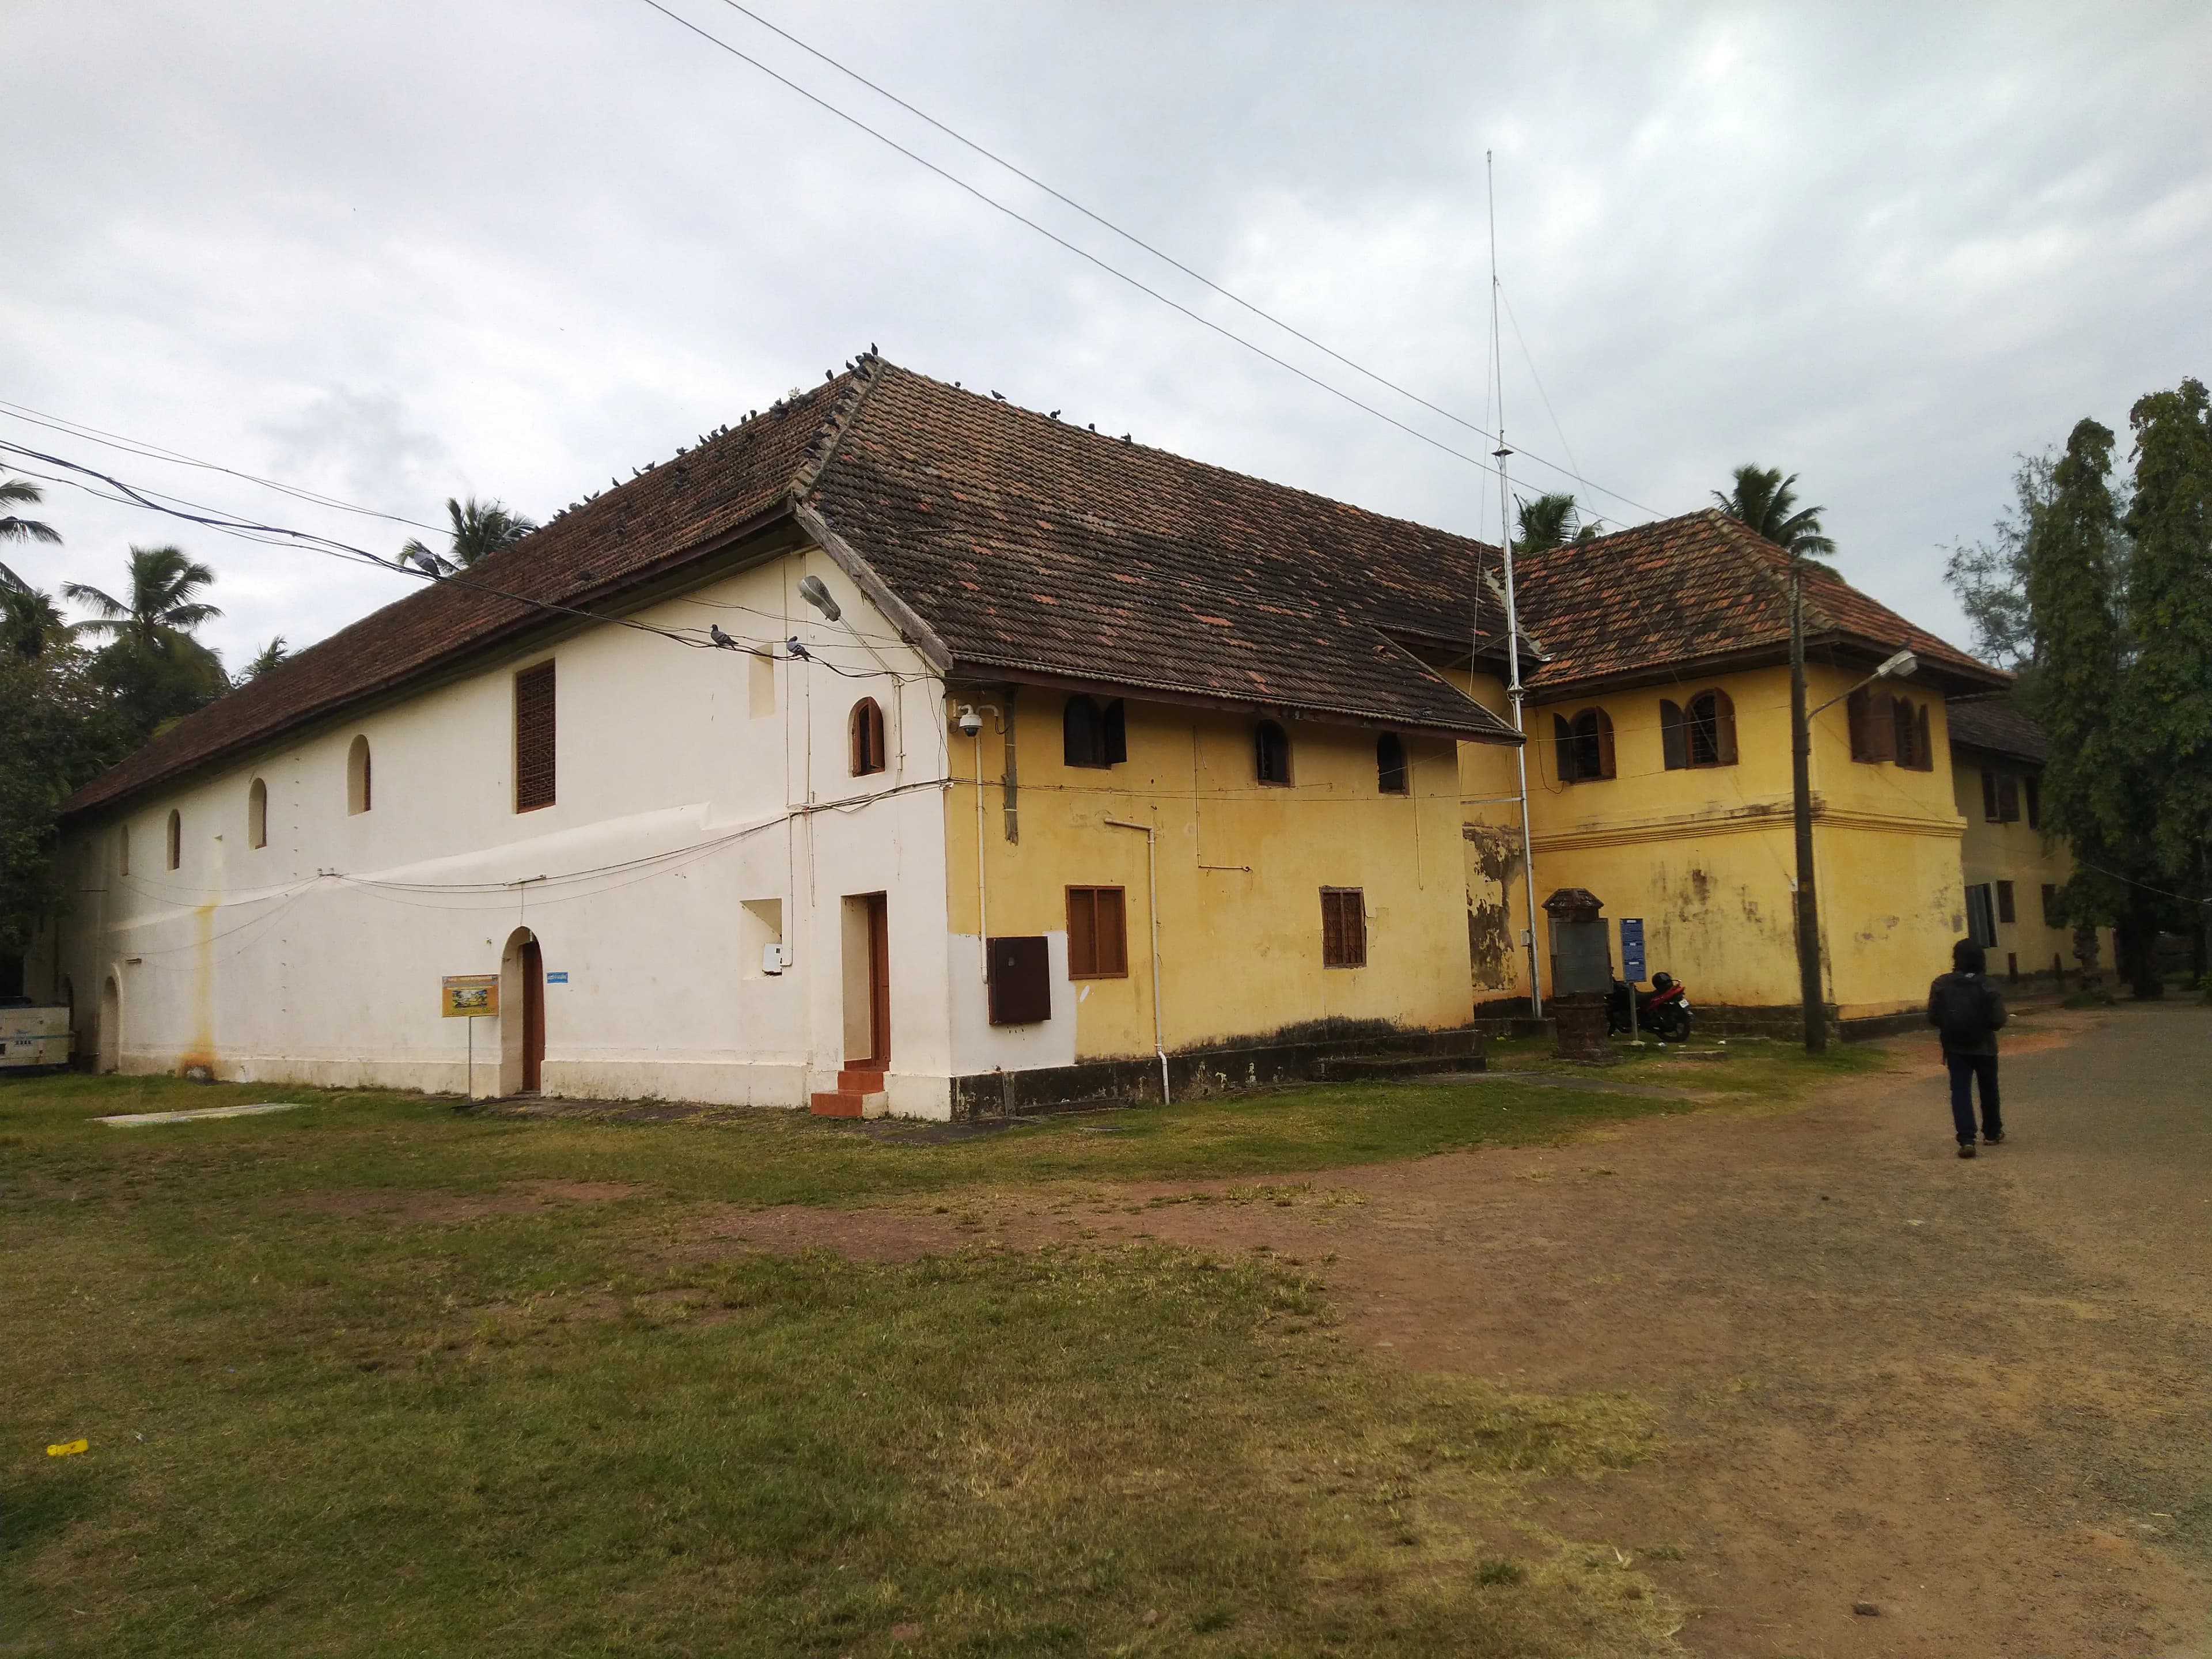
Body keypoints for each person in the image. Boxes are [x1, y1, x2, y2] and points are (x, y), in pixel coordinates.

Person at [1928, 938, 2007, 1158]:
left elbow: (1933, 1016)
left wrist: (1950, 1026)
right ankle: (1992, 1133)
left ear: (1956, 959)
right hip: (1985, 1046)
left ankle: (1966, 1139)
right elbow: (1999, 1019)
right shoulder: (1989, 985)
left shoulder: (1941, 984)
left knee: (1960, 1091)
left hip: (1955, 1047)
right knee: (1989, 1089)